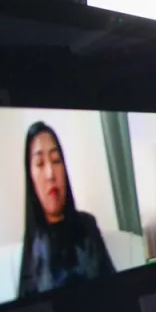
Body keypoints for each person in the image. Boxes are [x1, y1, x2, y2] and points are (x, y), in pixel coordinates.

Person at [18, 121, 115, 296]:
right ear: (30, 177)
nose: (50, 174)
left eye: (56, 160)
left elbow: (115, 289)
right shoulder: (33, 240)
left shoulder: (87, 225)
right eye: (40, 163)